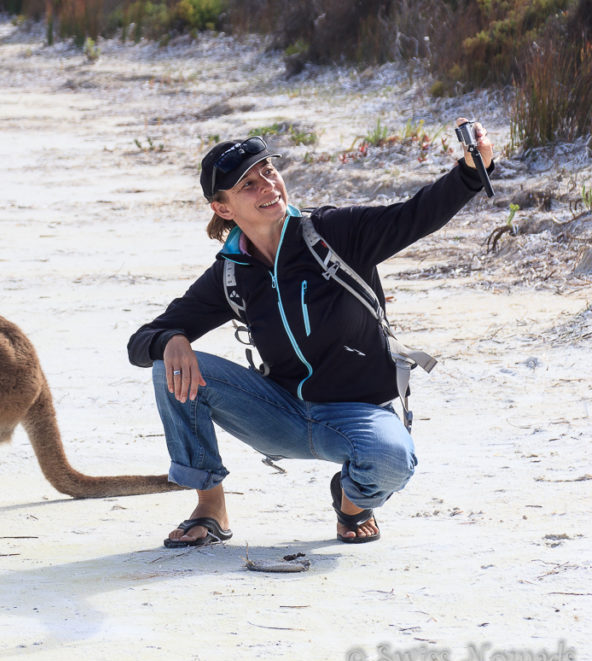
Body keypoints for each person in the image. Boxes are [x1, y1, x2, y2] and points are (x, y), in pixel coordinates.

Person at [127, 118, 494, 547]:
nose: (267, 185)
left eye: (268, 171)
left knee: (393, 460)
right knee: (166, 368)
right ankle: (210, 506)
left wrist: (471, 169)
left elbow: (415, 216)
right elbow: (143, 340)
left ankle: (352, 504)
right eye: (248, 184)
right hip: (279, 412)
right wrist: (171, 340)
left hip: (357, 414)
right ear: (223, 208)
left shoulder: (334, 235)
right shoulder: (232, 272)